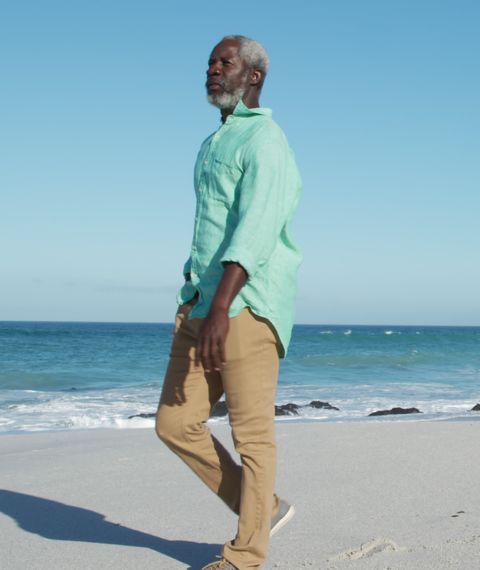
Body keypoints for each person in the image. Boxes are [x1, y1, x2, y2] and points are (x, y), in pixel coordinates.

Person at [155, 35, 302, 570]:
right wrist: (201, 302)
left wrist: (221, 306)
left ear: (254, 77)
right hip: (200, 303)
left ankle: (245, 555)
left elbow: (257, 228)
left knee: (252, 435)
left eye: (225, 63)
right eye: (210, 63)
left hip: (245, 305)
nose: (213, 70)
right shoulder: (212, 142)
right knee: (175, 424)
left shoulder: (267, 142)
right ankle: (262, 508)